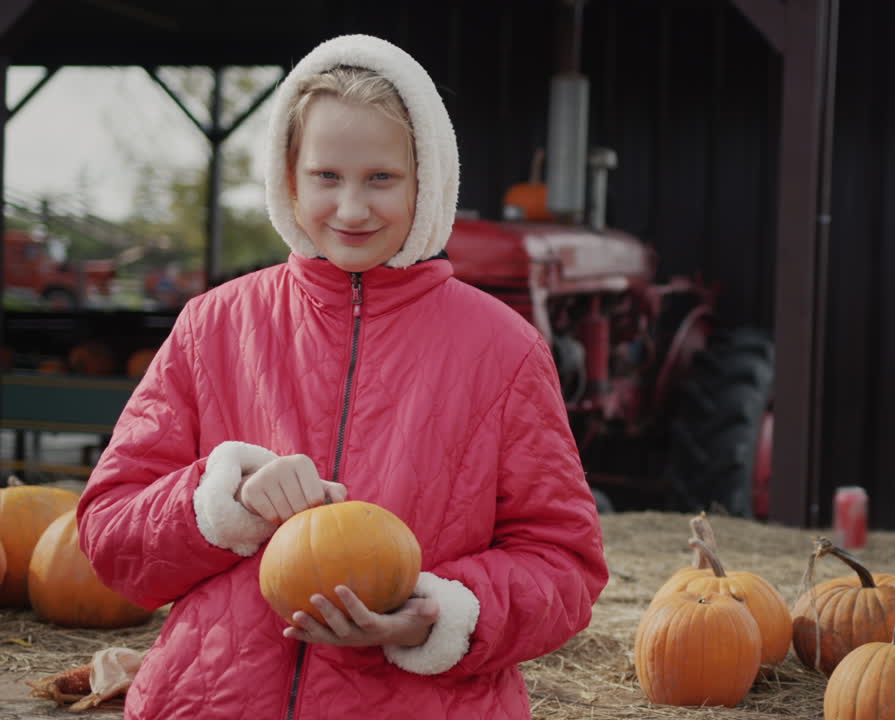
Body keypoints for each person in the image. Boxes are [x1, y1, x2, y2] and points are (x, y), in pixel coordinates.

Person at [76, 34, 609, 719]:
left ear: (428, 183)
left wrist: (439, 613)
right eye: (327, 177)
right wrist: (222, 499)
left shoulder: (505, 351)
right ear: (289, 181)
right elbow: (109, 536)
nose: (352, 209)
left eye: (380, 179)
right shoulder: (213, 327)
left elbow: (564, 566)